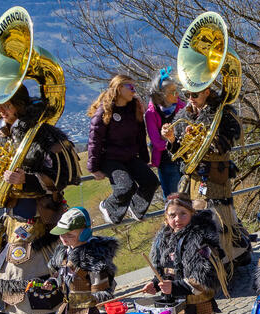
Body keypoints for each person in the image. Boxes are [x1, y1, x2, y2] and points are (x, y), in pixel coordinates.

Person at [0, 85, 81, 314]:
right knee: (4, 268)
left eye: (7, 105)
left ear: (21, 104)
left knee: (31, 271)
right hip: (13, 216)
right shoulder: (5, 133)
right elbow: (5, 169)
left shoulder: (45, 134)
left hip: (40, 217)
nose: (1, 111)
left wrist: (28, 179)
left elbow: (64, 175)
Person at [162, 82, 251, 275]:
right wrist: (171, 140)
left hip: (214, 177)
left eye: (194, 94)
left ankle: (220, 264)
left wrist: (201, 139)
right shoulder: (183, 115)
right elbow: (179, 153)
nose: (190, 99)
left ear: (207, 92)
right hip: (191, 178)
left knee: (216, 220)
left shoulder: (223, 114)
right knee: (186, 218)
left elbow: (224, 146)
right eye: (186, 94)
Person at [89, 74, 159, 225]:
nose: (134, 91)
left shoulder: (134, 108)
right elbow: (95, 140)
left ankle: (135, 209)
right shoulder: (104, 111)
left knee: (151, 182)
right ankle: (108, 206)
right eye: (131, 87)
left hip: (130, 157)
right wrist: (93, 168)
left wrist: (144, 160)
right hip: (109, 159)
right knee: (126, 187)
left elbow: (140, 136)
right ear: (120, 88)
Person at [145, 67, 185, 199]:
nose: (177, 94)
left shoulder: (182, 107)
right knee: (173, 197)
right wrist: (171, 138)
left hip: (184, 158)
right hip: (166, 161)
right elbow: (157, 143)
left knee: (187, 195)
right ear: (161, 95)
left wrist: (168, 138)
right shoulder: (151, 114)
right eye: (172, 92)